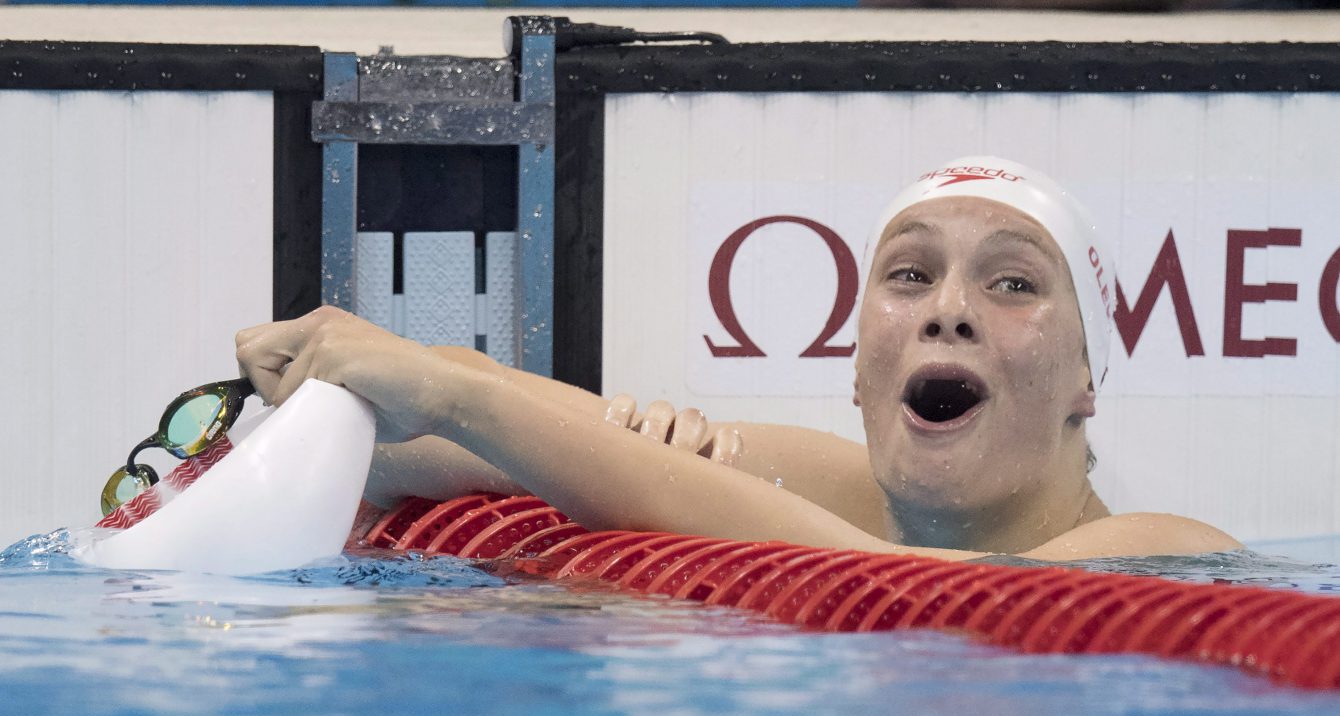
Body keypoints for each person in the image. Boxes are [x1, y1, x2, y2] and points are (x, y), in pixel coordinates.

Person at [235, 156, 1241, 561]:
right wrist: (346, 387)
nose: (948, 312)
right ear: (858, 370)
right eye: (906, 276)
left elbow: (909, 591)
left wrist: (454, 389)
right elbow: (416, 454)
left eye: (1012, 283)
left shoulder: (1172, 553)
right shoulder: (820, 482)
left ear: (1083, 384)